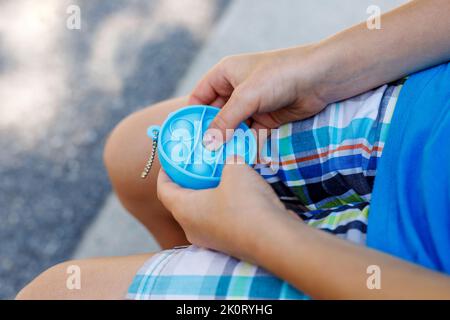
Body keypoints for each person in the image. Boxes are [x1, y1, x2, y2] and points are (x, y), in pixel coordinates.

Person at [17, 0, 450, 299]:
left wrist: (264, 237)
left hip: (406, 273)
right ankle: (202, 252)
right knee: (132, 152)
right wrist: (320, 67)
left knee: (55, 292)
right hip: (426, 116)